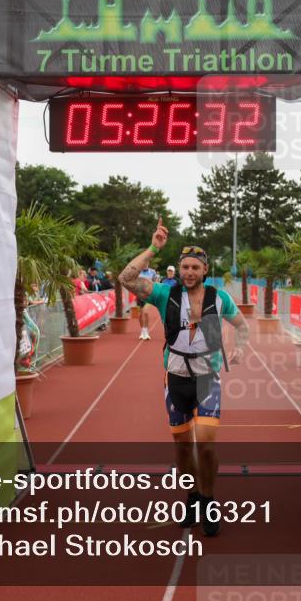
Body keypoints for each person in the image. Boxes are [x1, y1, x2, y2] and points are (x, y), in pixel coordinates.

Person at [119, 220, 250, 537]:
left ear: (205, 270)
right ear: (179, 269)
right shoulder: (165, 293)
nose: (190, 272)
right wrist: (153, 248)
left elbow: (242, 327)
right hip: (175, 378)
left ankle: (208, 500)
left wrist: (240, 349)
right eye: (185, 266)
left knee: (205, 446)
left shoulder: (220, 298)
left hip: (207, 379)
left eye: (196, 267)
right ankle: (191, 497)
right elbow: (126, 278)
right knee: (181, 447)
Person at [137, 265, 158, 340]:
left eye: (146, 262)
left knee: (145, 312)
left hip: (149, 295)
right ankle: (142, 330)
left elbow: (156, 282)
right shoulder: (138, 271)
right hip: (139, 295)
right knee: (140, 314)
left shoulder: (152, 272)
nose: (145, 264)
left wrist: (154, 291)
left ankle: (146, 331)